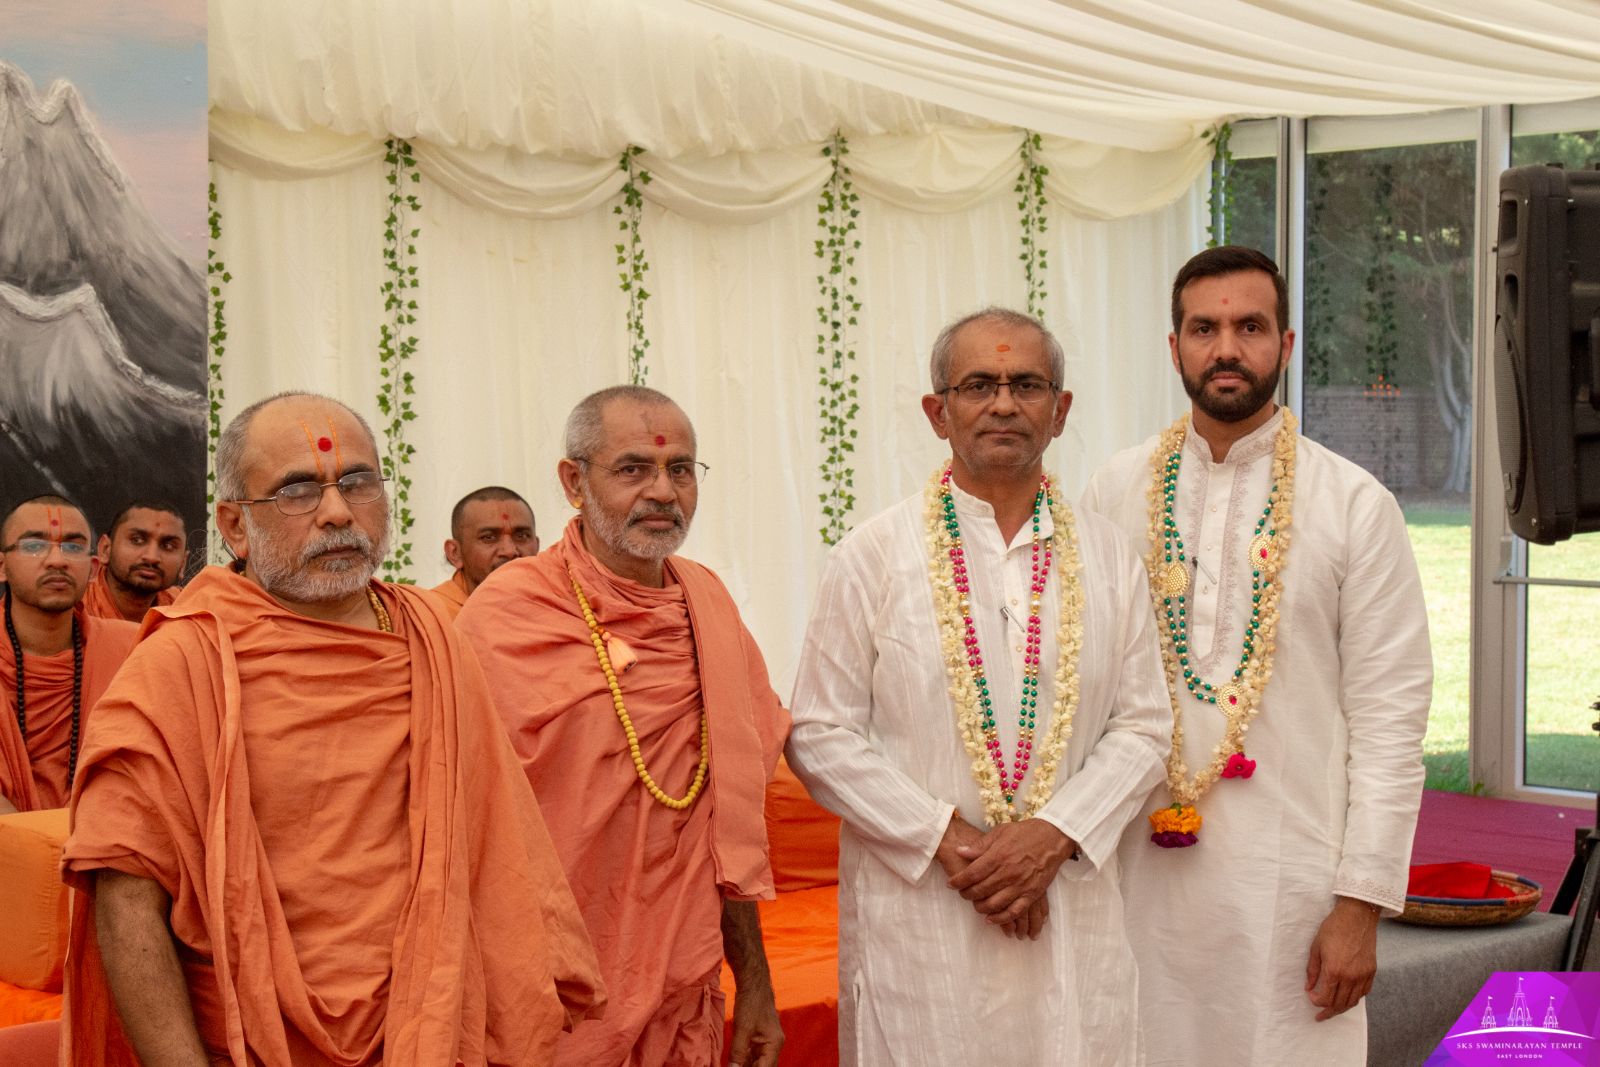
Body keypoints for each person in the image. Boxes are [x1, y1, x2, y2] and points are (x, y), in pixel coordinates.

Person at [61, 392, 603, 1067]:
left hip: (433, 1028)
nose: (339, 511)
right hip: (252, 1041)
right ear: (234, 523)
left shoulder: (432, 637)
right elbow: (126, 890)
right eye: (298, 489)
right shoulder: (183, 661)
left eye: (358, 482)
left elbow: (497, 848)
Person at [787, 308, 1172, 1066]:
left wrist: (1050, 835)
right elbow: (818, 732)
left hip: (1067, 905)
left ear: (1060, 412)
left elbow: (1146, 725)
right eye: (978, 384)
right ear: (939, 412)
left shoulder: (1108, 555)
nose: (1003, 403)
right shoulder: (871, 555)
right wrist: (950, 840)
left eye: (1027, 383)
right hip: (926, 914)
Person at [1080, 246, 1431, 1067]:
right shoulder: (1114, 490)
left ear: (1287, 344)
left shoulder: (1355, 505)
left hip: (1293, 884)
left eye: (1250, 327)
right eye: (1204, 328)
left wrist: (1362, 904)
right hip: (1134, 874)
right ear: (1174, 347)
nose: (1226, 348)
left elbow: (1391, 719)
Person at [457, 385, 789, 1067]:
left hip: (681, 985)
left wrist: (755, 979)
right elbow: (456, 819)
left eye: (681, 469)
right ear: (573, 481)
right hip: (547, 990)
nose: (664, 491)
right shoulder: (507, 617)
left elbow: (725, 826)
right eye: (634, 469)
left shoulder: (709, 605)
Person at [0, 496, 138, 812]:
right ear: (2, 567)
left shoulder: (131, 650)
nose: (57, 560)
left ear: (91, 570)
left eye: (73, 547)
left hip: (106, 839)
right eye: (34, 546)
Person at [430, 486, 539, 617]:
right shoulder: (430, 616)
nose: (510, 551)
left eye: (522, 536)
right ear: (455, 553)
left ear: (537, 546)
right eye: (489, 537)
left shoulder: (556, 606)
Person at [82, 500, 189, 622]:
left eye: (168, 546)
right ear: (105, 549)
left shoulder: (187, 611)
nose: (151, 557)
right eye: (137, 540)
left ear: (183, 563)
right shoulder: (73, 609)